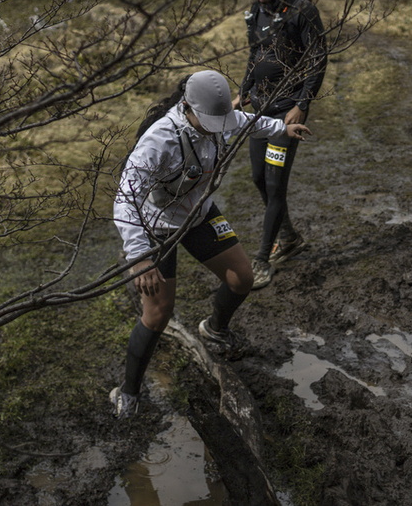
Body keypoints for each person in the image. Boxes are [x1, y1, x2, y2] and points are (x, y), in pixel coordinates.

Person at [110, 69, 312, 419]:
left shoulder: (221, 118)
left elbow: (246, 121)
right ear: (187, 106)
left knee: (242, 278)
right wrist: (140, 258)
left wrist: (282, 127)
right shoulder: (159, 141)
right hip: (158, 228)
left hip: (199, 213)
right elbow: (125, 199)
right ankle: (128, 393)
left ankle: (215, 331)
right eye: (210, 121)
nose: (218, 127)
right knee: (158, 315)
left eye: (222, 120)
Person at [237, 0, 327, 290]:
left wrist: (303, 103)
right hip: (260, 109)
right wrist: (244, 90)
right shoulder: (256, 12)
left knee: (275, 184)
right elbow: (254, 54)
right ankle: (288, 236)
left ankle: (261, 259)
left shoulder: (302, 9)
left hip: (288, 110)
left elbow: (318, 58)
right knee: (259, 178)